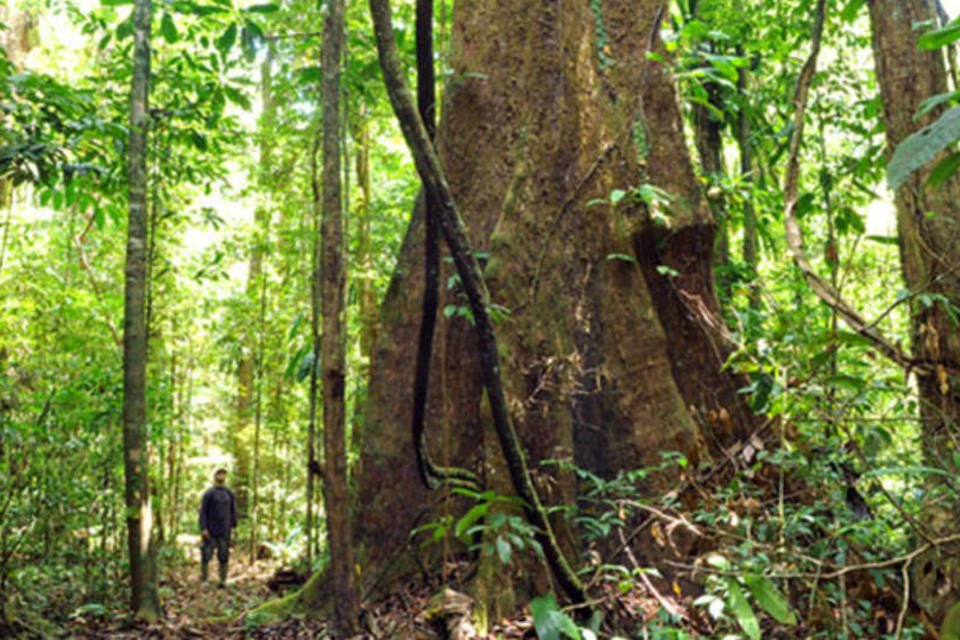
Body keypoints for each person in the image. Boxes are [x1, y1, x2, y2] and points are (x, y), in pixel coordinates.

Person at [199, 467, 237, 587]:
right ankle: (205, 579)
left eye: (223, 474)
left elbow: (233, 511)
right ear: (215, 477)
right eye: (219, 474)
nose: (221, 476)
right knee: (206, 555)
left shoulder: (229, 494)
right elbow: (202, 512)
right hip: (210, 531)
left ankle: (223, 580)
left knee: (224, 555)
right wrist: (203, 528)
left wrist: (234, 527)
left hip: (225, 531)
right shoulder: (209, 493)